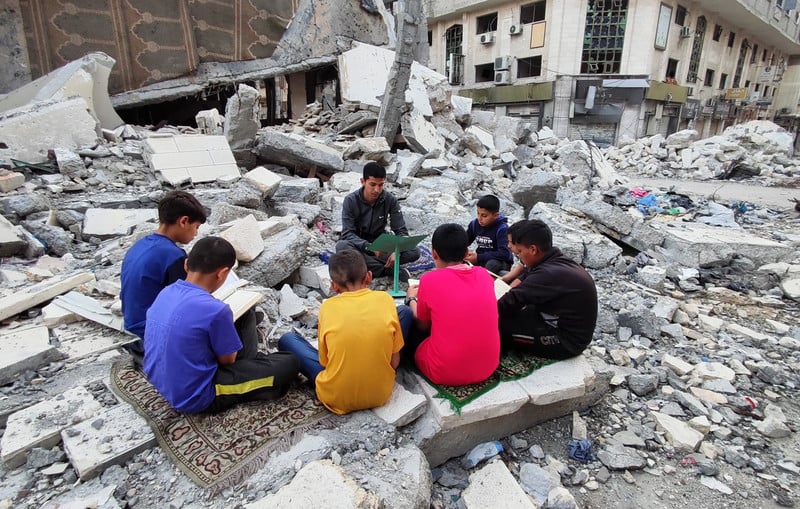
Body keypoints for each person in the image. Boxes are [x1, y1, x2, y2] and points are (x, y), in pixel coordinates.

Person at [143, 237, 299, 414]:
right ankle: (257, 386)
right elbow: (227, 361)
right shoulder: (216, 310)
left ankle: (254, 369)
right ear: (222, 273)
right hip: (197, 396)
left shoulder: (166, 292)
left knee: (247, 316)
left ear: (186, 265)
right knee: (290, 362)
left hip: (161, 381)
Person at [277, 249, 411, 415]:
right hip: (381, 393)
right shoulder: (385, 300)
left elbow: (325, 362)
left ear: (334, 286)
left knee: (288, 340)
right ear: (369, 277)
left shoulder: (327, 307)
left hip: (336, 397)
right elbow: (394, 363)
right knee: (404, 312)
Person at [404, 223, 499, 386]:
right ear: (466, 253)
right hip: (488, 366)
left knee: (408, 324)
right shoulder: (484, 275)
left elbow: (423, 326)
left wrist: (412, 300)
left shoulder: (429, 280)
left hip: (444, 372)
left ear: (434, 253)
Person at [120, 191, 206, 360]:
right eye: (196, 227)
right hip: (151, 329)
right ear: (183, 221)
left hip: (132, 321)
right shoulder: (174, 257)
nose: (195, 234)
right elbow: (185, 304)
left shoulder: (140, 245)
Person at [497, 219, 598, 360]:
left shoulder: (547, 274)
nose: (519, 258)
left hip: (566, 340)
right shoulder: (554, 260)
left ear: (533, 249)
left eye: (519, 252)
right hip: (549, 316)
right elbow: (525, 277)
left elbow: (507, 303)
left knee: (495, 327)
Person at [336, 161, 420, 281]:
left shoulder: (390, 200)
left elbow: (401, 231)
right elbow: (347, 233)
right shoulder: (350, 200)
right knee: (342, 247)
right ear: (363, 182)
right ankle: (388, 270)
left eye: (380, 185)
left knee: (415, 251)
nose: (376, 190)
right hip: (360, 245)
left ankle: (368, 267)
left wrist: (398, 251)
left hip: (381, 244)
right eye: (372, 184)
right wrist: (368, 246)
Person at [464, 194, 513, 275]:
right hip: (481, 258)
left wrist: (479, 257)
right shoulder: (474, 225)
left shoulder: (502, 229)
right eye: (478, 213)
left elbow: (504, 254)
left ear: (495, 215)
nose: (480, 218)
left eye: (484, 215)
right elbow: (465, 241)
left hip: (499, 261)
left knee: (491, 264)